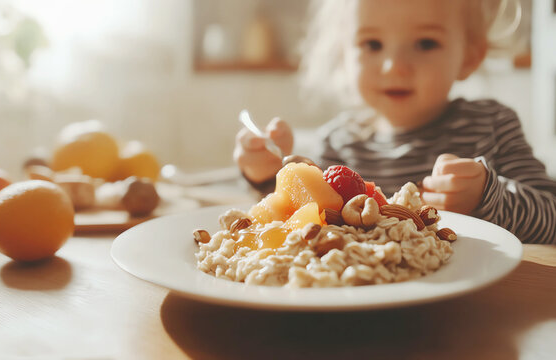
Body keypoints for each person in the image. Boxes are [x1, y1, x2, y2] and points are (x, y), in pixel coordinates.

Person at [233, 0, 556, 244]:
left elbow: (551, 217)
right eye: (372, 45)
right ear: (344, 56)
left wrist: (489, 196)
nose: (394, 66)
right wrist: (266, 176)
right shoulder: (338, 142)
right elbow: (306, 221)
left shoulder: (492, 125)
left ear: (469, 56)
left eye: (425, 43)